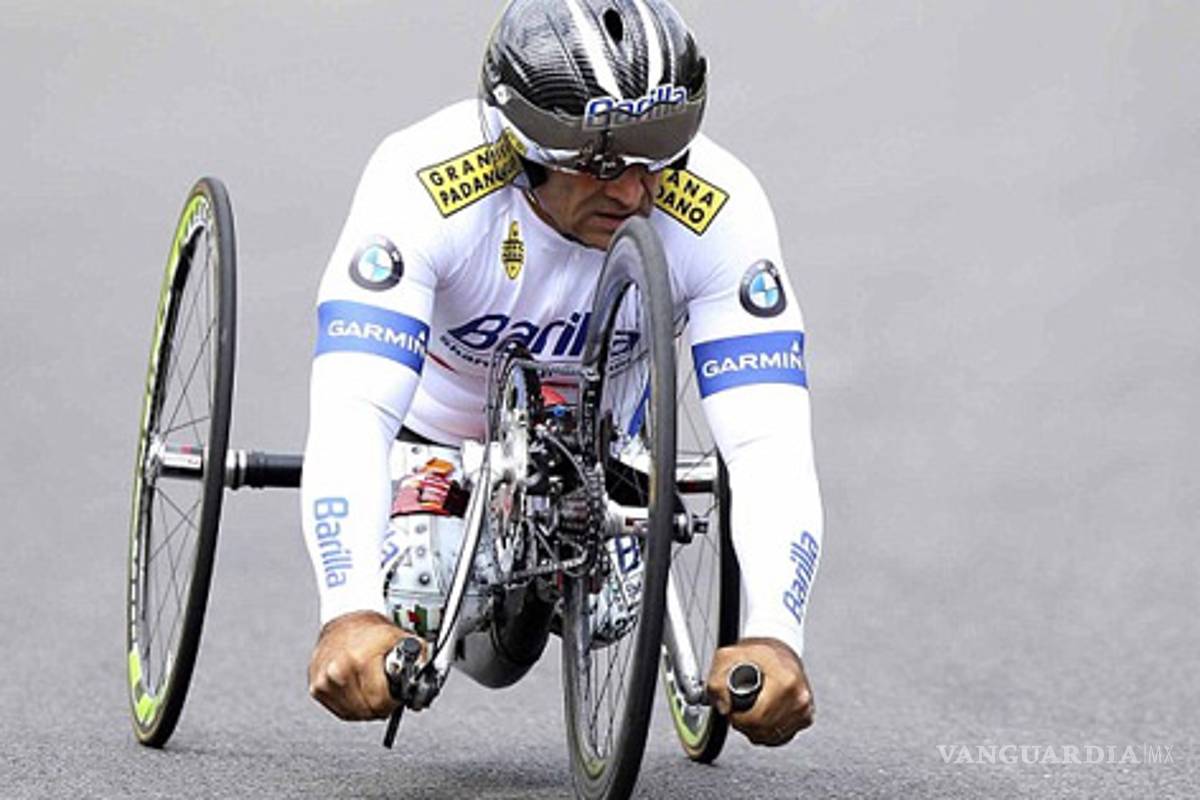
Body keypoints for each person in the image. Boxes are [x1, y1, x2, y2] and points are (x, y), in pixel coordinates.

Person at [301, 0, 823, 748]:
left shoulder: (721, 209)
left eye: (661, 153)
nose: (635, 191)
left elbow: (769, 443)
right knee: (416, 595)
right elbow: (353, 408)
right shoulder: (420, 186)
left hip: (610, 448)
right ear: (521, 150)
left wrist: (774, 633)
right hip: (437, 438)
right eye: (601, 166)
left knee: (620, 602)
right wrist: (348, 609)